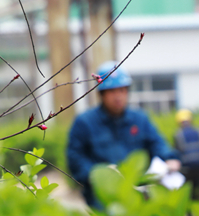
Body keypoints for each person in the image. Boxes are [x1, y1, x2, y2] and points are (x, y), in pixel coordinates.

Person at [66, 61, 181, 208]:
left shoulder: (140, 119)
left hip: (138, 190)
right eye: (112, 91)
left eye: (122, 90)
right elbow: (75, 157)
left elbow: (157, 143)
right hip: (103, 195)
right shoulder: (85, 123)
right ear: (102, 94)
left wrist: (169, 159)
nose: (118, 96)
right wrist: (97, 176)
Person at [174, 109, 199, 203]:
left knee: (188, 191)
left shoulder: (178, 135)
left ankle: (189, 210)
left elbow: (176, 152)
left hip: (187, 168)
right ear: (191, 120)